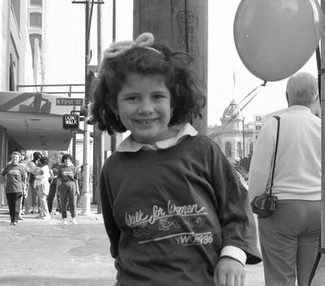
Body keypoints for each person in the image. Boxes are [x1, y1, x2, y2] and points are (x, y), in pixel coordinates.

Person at [91, 33, 261, 285]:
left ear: (174, 101)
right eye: (132, 97)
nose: (146, 108)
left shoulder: (203, 151)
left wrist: (232, 256)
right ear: (114, 105)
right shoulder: (113, 169)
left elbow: (237, 207)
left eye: (157, 96)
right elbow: (117, 238)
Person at [248, 72, 322, 286]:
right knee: (311, 278)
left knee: (280, 278)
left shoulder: (275, 124)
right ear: (314, 97)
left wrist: (254, 201)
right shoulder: (321, 126)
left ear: (287, 96)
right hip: (317, 210)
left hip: (281, 210)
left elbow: (260, 171)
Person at [1, 151, 28, 225]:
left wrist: (24, 189)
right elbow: (2, 174)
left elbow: (24, 179)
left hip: (18, 189)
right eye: (13, 157)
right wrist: (3, 183)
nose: (14, 159)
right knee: (11, 205)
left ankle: (15, 220)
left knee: (17, 205)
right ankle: (12, 219)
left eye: (16, 158)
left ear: (19, 159)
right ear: (11, 158)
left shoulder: (22, 168)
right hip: (9, 189)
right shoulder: (8, 167)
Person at [57, 153, 79, 225]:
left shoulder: (74, 168)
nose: (67, 160)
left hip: (72, 185)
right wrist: (57, 188)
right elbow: (58, 179)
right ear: (63, 160)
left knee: (72, 203)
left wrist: (77, 189)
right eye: (66, 159)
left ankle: (73, 218)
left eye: (68, 159)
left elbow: (76, 179)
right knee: (63, 202)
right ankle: (64, 218)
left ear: (70, 160)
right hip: (63, 185)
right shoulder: (61, 168)